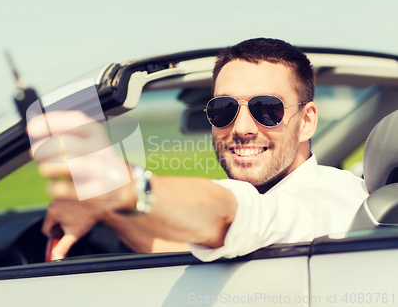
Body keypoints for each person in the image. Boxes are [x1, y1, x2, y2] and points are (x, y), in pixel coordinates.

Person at [28, 38, 368, 261]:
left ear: (307, 121)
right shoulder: (337, 186)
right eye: (223, 109)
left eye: (268, 109)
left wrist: (127, 184)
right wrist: (105, 210)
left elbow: (225, 213)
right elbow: (188, 242)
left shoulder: (320, 207)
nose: (242, 128)